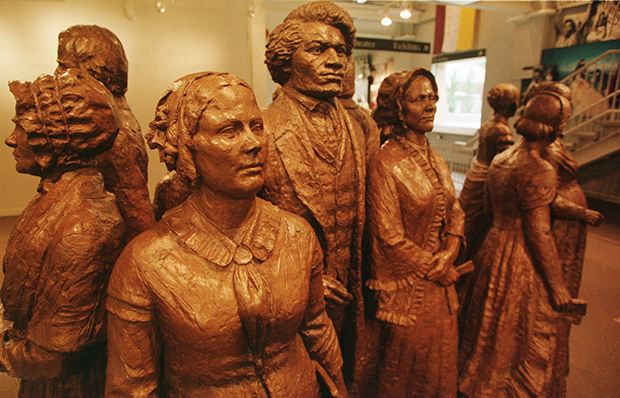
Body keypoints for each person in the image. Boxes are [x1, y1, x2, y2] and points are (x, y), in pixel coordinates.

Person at [105, 72, 347, 398]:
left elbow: (318, 329)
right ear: (189, 146)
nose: (253, 143)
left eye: (256, 126)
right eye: (229, 130)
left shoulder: (297, 235)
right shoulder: (146, 261)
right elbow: (131, 388)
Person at [261, 1, 376, 386]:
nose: (335, 60)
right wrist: (303, 279)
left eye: (341, 51)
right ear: (285, 60)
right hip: (286, 303)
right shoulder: (261, 130)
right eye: (317, 49)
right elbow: (239, 226)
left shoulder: (357, 129)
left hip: (348, 290)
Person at [1, 69, 125, 398]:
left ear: (52, 139)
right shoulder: (54, 197)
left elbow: (51, 359)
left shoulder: (83, 227)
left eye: (22, 128)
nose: (11, 139)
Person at [458, 91, 577, 398]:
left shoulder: (502, 159)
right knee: (513, 334)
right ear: (554, 127)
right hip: (519, 257)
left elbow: (486, 207)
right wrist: (557, 287)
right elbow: (540, 233)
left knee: (483, 325)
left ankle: (473, 384)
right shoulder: (541, 170)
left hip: (492, 245)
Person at [360, 68, 465, 397]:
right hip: (409, 291)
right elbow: (388, 236)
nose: (430, 104)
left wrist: (448, 254)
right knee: (405, 373)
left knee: (442, 368)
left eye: (432, 97)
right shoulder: (384, 163)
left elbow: (456, 210)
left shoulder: (436, 159)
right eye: (420, 99)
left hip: (441, 288)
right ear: (399, 108)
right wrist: (435, 268)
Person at [56, 25, 155, 240]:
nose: (57, 75)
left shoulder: (112, 129)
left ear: (90, 70)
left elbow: (136, 209)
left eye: (63, 67)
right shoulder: (100, 117)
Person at [458, 83, 519, 276]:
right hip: (486, 181)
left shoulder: (489, 124)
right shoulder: (502, 130)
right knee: (476, 227)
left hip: (476, 174)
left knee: (468, 224)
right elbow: (503, 163)